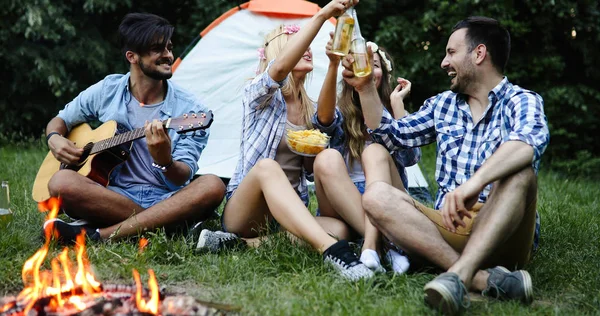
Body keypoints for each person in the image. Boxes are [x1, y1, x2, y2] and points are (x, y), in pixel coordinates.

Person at [342, 16, 549, 314]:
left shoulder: (521, 101)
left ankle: (457, 277)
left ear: (479, 54)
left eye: (451, 53)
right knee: (375, 196)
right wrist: (364, 89)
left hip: (506, 229)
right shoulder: (443, 105)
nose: (443, 62)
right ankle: (478, 278)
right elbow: (391, 136)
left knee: (521, 172)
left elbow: (528, 143)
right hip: (448, 226)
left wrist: (474, 184)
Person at [195, 0, 374, 281]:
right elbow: (277, 72)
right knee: (268, 167)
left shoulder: (311, 108)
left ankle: (236, 245)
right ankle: (334, 252)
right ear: (282, 52)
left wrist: (333, 65)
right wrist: (322, 15)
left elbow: (325, 130)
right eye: (297, 45)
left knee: (339, 221)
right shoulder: (258, 96)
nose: (307, 50)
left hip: (288, 215)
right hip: (246, 211)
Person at [42, 13, 226, 244]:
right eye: (157, 49)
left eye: (169, 48)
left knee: (212, 185)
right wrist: (55, 138)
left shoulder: (191, 111)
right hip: (113, 194)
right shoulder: (108, 89)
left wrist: (165, 160)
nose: (168, 55)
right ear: (132, 56)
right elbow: (60, 119)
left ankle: (100, 234)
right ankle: (170, 226)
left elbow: (182, 177)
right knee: (60, 182)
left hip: (167, 198)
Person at [312, 36, 419, 274]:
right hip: (342, 199)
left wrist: (397, 103)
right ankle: (389, 244)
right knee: (326, 158)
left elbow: (409, 158)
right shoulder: (341, 111)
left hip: (384, 195)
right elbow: (323, 122)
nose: (367, 70)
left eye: (375, 65)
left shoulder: (393, 113)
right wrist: (333, 64)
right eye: (361, 64)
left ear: (385, 76)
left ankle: (370, 246)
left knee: (376, 150)